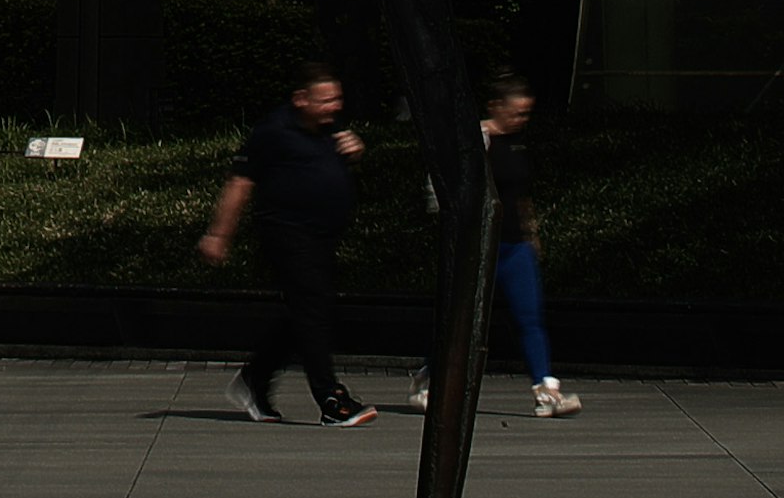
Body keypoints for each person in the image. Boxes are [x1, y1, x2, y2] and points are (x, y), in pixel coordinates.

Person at [198, 65, 376, 427]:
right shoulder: (273, 132)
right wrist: (219, 234)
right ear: (301, 99)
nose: (332, 107)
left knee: (307, 312)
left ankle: (255, 379)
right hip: (286, 234)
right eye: (324, 100)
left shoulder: (330, 130)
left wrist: (355, 152)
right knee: (312, 310)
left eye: (336, 100)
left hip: (322, 237)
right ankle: (330, 398)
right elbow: (240, 183)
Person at [410, 77, 582, 420]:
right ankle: (429, 380)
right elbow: (441, 190)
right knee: (462, 322)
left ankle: (546, 391)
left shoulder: (516, 144)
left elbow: (520, 193)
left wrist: (532, 234)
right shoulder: (475, 140)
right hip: (478, 247)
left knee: (529, 317)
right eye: (516, 112)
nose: (521, 119)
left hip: (515, 247)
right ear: (496, 107)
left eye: (526, 114)